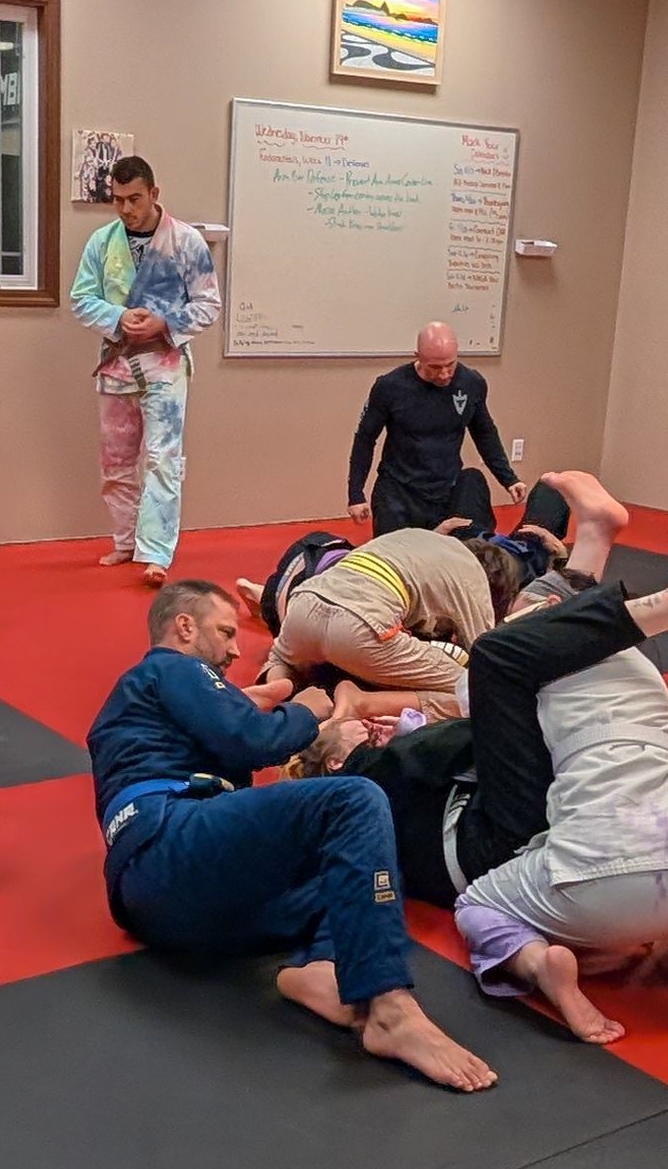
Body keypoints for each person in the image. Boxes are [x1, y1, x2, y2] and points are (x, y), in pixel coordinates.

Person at [87, 579, 495, 1092]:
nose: (237, 649)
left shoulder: (150, 705)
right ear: (184, 627)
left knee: (347, 875)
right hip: (169, 837)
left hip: (170, 907)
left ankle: (319, 967)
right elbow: (253, 739)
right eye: (226, 632)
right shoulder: (172, 667)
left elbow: (240, 755)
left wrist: (317, 733)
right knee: (357, 798)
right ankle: (389, 1007)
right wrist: (309, 709)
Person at [403, 479, 668, 1042]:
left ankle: (540, 968)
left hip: (603, 875)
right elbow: (583, 622)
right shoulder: (638, 660)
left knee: (478, 904)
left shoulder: (504, 660)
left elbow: (493, 708)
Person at [67, 154, 220, 578]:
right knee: (116, 460)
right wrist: (118, 317)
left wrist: (165, 323)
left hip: (165, 361)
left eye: (134, 198)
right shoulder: (102, 242)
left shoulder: (186, 242)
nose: (126, 209)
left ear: (154, 193)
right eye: (118, 200)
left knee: (162, 458)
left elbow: (208, 304)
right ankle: (124, 541)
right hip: (117, 362)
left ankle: (155, 553)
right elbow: (80, 298)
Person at [258, 521, 519, 711]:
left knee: (281, 656)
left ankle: (276, 691)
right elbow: (484, 654)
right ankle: (361, 703)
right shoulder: (474, 577)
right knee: (474, 692)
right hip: (362, 625)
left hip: (306, 602)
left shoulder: (420, 537)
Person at [348, 323, 518, 536]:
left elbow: (485, 433)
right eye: (435, 368)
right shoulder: (389, 387)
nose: (445, 374)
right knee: (397, 561)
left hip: (446, 490)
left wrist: (508, 479)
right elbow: (365, 439)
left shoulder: (471, 383)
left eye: (450, 365)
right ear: (417, 356)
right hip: (399, 491)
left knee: (471, 493)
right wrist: (356, 493)